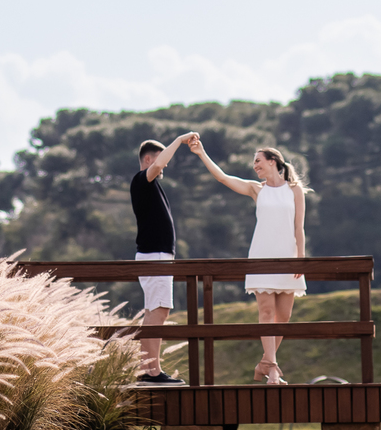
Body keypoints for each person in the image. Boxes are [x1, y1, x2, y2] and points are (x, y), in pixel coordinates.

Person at [188, 139, 307, 385]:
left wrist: (301, 258)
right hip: (261, 255)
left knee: (284, 317)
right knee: (266, 312)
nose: (255, 166)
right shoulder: (256, 189)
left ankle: (264, 362)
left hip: (288, 256)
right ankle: (272, 370)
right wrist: (201, 152)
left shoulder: (294, 190)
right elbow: (222, 178)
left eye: (258, 161)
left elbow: (299, 227)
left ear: (272, 162)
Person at [131, 132, 198, 386]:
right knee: (159, 310)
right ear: (148, 159)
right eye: (162, 159)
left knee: (155, 310)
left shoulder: (150, 186)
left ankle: (146, 370)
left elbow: (160, 164)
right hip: (154, 255)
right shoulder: (141, 180)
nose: (165, 165)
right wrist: (179, 140)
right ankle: (152, 372)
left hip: (157, 255)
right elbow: (159, 164)